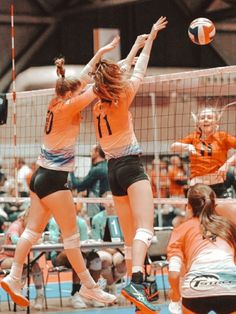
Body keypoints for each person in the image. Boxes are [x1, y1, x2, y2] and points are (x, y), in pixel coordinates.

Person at [0, 37, 120, 307]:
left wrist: (101, 52)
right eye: (77, 92)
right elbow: (96, 86)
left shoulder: (56, 101)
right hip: (54, 180)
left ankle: (14, 275)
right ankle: (89, 287)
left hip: (39, 175)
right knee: (72, 239)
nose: (80, 93)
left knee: (32, 232)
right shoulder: (69, 105)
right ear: (71, 94)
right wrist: (122, 64)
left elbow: (84, 78)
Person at [90, 17, 168, 313]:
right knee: (145, 231)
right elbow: (139, 67)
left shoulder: (98, 104)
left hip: (113, 172)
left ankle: (143, 290)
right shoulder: (122, 96)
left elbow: (114, 73)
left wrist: (133, 47)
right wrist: (148, 42)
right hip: (131, 167)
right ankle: (136, 280)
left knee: (130, 235)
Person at [167, 183, 236, 314]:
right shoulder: (228, 226)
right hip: (231, 284)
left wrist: (175, 296)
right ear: (214, 205)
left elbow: (174, 273)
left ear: (188, 207)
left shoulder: (181, 229)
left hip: (196, 285)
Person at [171, 105, 236, 198]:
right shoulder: (193, 137)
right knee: (195, 212)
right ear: (198, 123)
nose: (205, 119)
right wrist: (187, 146)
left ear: (216, 122)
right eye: (202, 118)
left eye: (209, 117)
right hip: (197, 187)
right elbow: (173, 147)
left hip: (217, 186)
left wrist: (227, 164)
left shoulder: (223, 137)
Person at [47, 206, 104, 309]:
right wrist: (60, 239)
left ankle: (93, 292)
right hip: (59, 255)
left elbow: (84, 243)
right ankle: (75, 293)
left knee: (95, 258)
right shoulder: (54, 221)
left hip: (78, 252)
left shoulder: (81, 222)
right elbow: (52, 239)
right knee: (79, 258)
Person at [0, 208, 44, 310]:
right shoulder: (16, 225)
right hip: (5, 258)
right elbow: (16, 240)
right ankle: (20, 295)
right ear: (26, 217)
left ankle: (39, 297)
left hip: (21, 258)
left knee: (34, 265)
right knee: (24, 265)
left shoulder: (29, 227)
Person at [70, 144, 110, 218]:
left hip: (97, 210)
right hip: (108, 208)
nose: (90, 154)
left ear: (97, 152)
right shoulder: (108, 166)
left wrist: (71, 171)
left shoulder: (97, 170)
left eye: (91, 151)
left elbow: (78, 185)